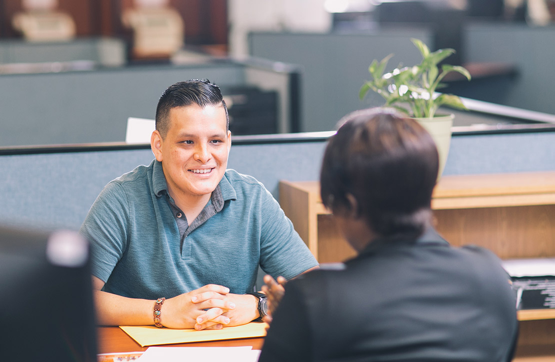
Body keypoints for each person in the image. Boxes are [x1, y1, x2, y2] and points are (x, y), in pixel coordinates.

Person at [259, 108, 518, 361]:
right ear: (429, 191)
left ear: (349, 205)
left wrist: (292, 325)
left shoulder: (315, 300)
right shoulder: (492, 276)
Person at [80, 79, 318, 330]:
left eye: (215, 141)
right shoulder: (122, 199)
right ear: (158, 146)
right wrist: (161, 311)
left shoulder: (253, 200)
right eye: (187, 142)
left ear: (228, 142)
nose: (204, 155)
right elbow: (73, 299)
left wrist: (257, 305)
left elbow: (314, 289)